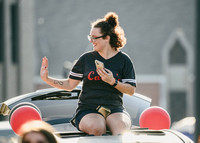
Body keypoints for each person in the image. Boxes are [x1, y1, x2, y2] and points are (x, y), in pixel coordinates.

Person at [40, 12, 136, 136]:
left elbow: (131, 90)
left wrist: (113, 82)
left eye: (95, 38)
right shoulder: (86, 59)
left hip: (115, 109)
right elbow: (69, 84)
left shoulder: (124, 60)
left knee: (121, 128)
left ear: (107, 38)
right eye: (90, 37)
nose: (91, 41)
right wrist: (46, 78)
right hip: (88, 109)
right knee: (97, 127)